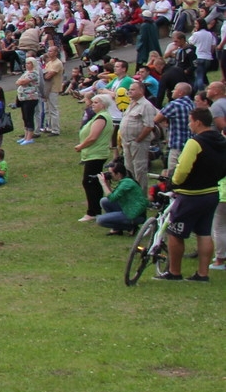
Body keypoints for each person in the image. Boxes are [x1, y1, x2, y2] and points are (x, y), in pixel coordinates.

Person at [157, 107, 226, 281]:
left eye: (190, 121)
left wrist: (174, 182)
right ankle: (203, 273)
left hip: (191, 193)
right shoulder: (221, 140)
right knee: (204, 233)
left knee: (175, 232)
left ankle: (174, 271)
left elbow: (183, 168)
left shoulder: (195, 142)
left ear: (198, 122)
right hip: (212, 191)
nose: (189, 125)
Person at [74, 93, 114, 221]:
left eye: (96, 102)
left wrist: (81, 146)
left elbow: (93, 137)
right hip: (93, 153)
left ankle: (93, 211)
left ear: (103, 104)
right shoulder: (98, 116)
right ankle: (95, 209)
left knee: (89, 181)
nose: (92, 104)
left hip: (96, 153)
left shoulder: (102, 117)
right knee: (93, 181)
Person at [118, 80, 159, 186]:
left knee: (139, 170)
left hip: (138, 143)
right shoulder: (131, 103)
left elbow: (149, 125)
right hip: (126, 142)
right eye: (129, 89)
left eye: (133, 89)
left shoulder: (146, 105)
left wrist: (138, 140)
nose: (129, 92)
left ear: (141, 91)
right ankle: (133, 193)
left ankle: (141, 195)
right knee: (129, 168)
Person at [95, 160, 147, 235]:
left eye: (110, 173)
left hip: (134, 214)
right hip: (128, 207)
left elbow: (112, 198)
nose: (109, 175)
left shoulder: (126, 183)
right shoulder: (125, 181)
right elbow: (112, 197)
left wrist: (103, 184)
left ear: (118, 174)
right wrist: (107, 184)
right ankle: (117, 229)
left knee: (100, 220)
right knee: (104, 201)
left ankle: (130, 227)